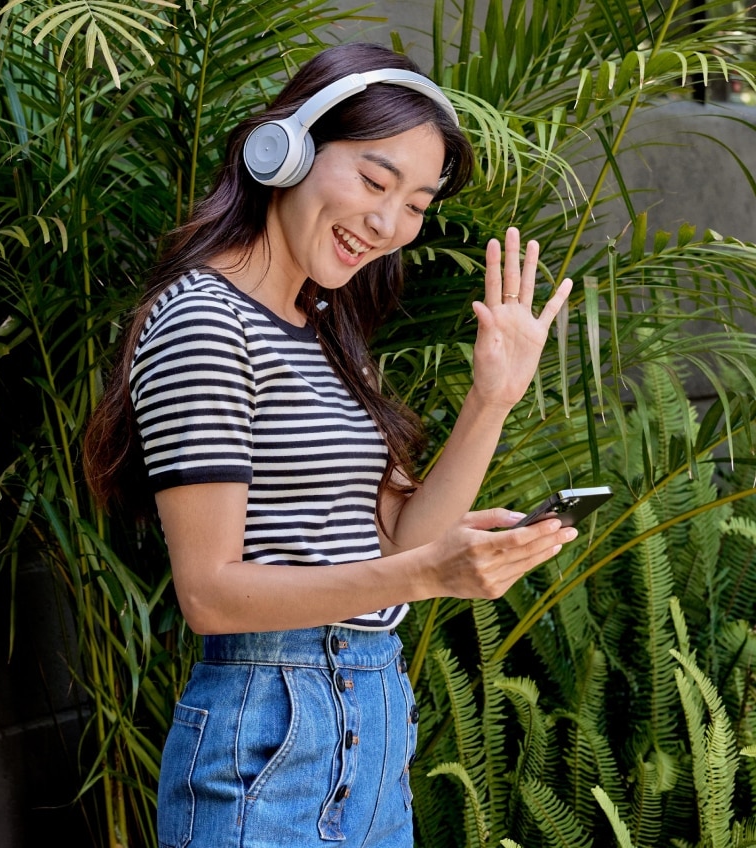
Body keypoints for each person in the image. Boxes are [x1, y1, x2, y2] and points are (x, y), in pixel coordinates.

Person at [84, 41, 575, 848]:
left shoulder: (326, 333)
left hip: (372, 720)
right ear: (286, 152)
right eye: (375, 181)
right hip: (269, 738)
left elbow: (400, 543)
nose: (388, 224)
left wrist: (494, 397)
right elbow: (208, 592)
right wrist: (427, 572)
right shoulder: (205, 321)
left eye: (416, 204)